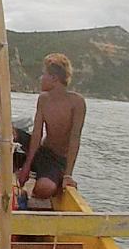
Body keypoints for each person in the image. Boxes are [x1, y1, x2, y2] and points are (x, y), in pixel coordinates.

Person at [16, 53, 86, 199]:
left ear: (54, 78)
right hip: (41, 151)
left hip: (57, 159)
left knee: (45, 189)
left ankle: (36, 181)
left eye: (44, 74)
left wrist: (68, 175)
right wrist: (27, 166)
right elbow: (37, 134)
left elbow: (75, 139)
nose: (41, 78)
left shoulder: (77, 103)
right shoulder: (43, 99)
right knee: (4, 130)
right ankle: (18, 161)